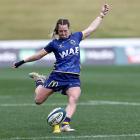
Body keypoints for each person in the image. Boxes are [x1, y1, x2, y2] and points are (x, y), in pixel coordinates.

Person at [13, 4, 109, 133]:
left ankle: (65, 124)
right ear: (57, 31)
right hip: (57, 76)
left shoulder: (76, 37)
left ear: (69, 29)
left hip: (73, 77)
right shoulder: (54, 44)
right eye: (61, 31)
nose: (63, 33)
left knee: (74, 98)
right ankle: (40, 81)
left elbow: (91, 29)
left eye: (65, 30)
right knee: (38, 101)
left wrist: (101, 15)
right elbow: (39, 55)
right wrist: (22, 61)